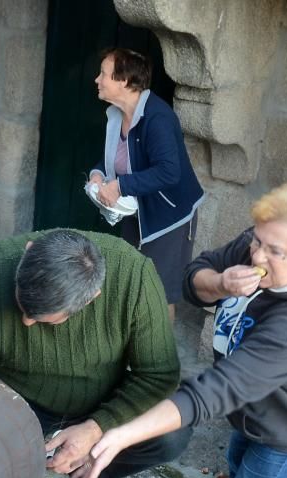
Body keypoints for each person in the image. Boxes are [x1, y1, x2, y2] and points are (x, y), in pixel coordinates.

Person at [69, 183, 287, 478]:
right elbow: (194, 277)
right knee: (237, 461)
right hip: (253, 405)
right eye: (257, 241)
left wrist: (119, 436)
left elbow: (213, 392)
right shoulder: (269, 240)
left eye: (275, 252)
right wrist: (222, 282)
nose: (256, 257)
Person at [0, 229, 189, 478]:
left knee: (172, 434)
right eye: (22, 306)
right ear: (28, 251)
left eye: (41, 318)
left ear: (92, 299)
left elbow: (159, 375)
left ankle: (99, 471)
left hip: (99, 403)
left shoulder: (135, 277)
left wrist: (96, 429)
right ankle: (15, 463)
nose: (26, 321)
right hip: (16, 401)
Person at [88, 48, 204, 320]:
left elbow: (168, 173)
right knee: (130, 282)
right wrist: (97, 174)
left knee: (158, 293)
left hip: (169, 217)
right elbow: (115, 159)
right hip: (138, 211)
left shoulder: (157, 118)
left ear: (125, 81)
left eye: (103, 74)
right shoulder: (116, 115)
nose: (97, 79)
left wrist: (119, 186)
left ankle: (159, 357)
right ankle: (133, 350)